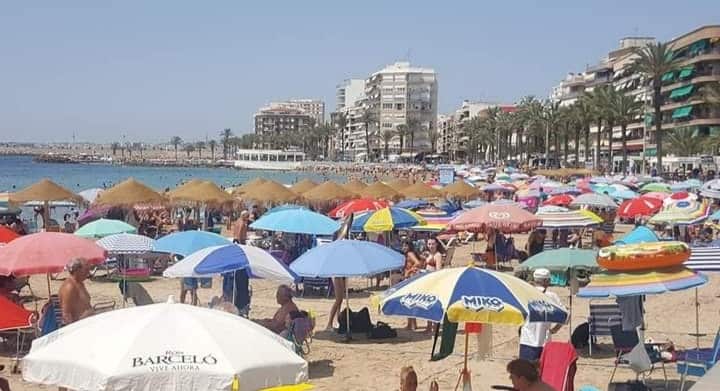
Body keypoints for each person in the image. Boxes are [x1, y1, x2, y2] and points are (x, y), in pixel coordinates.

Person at [519, 268, 564, 362]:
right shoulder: (552, 296)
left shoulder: (525, 293)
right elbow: (565, 315)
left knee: (526, 372)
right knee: (542, 372)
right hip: (545, 340)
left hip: (527, 339)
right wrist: (555, 329)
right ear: (546, 281)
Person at [58, 258, 94, 325]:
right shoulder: (69, 287)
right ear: (77, 270)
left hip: (86, 324)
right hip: (78, 328)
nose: (88, 273)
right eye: (86, 270)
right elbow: (66, 316)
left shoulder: (80, 283)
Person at [402, 240, 424, 330]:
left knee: (409, 301)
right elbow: (421, 261)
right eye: (403, 246)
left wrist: (409, 271)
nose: (403, 248)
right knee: (410, 301)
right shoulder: (410, 253)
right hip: (411, 278)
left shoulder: (410, 253)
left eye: (405, 246)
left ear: (409, 247)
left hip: (410, 278)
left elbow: (417, 263)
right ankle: (411, 323)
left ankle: (412, 324)